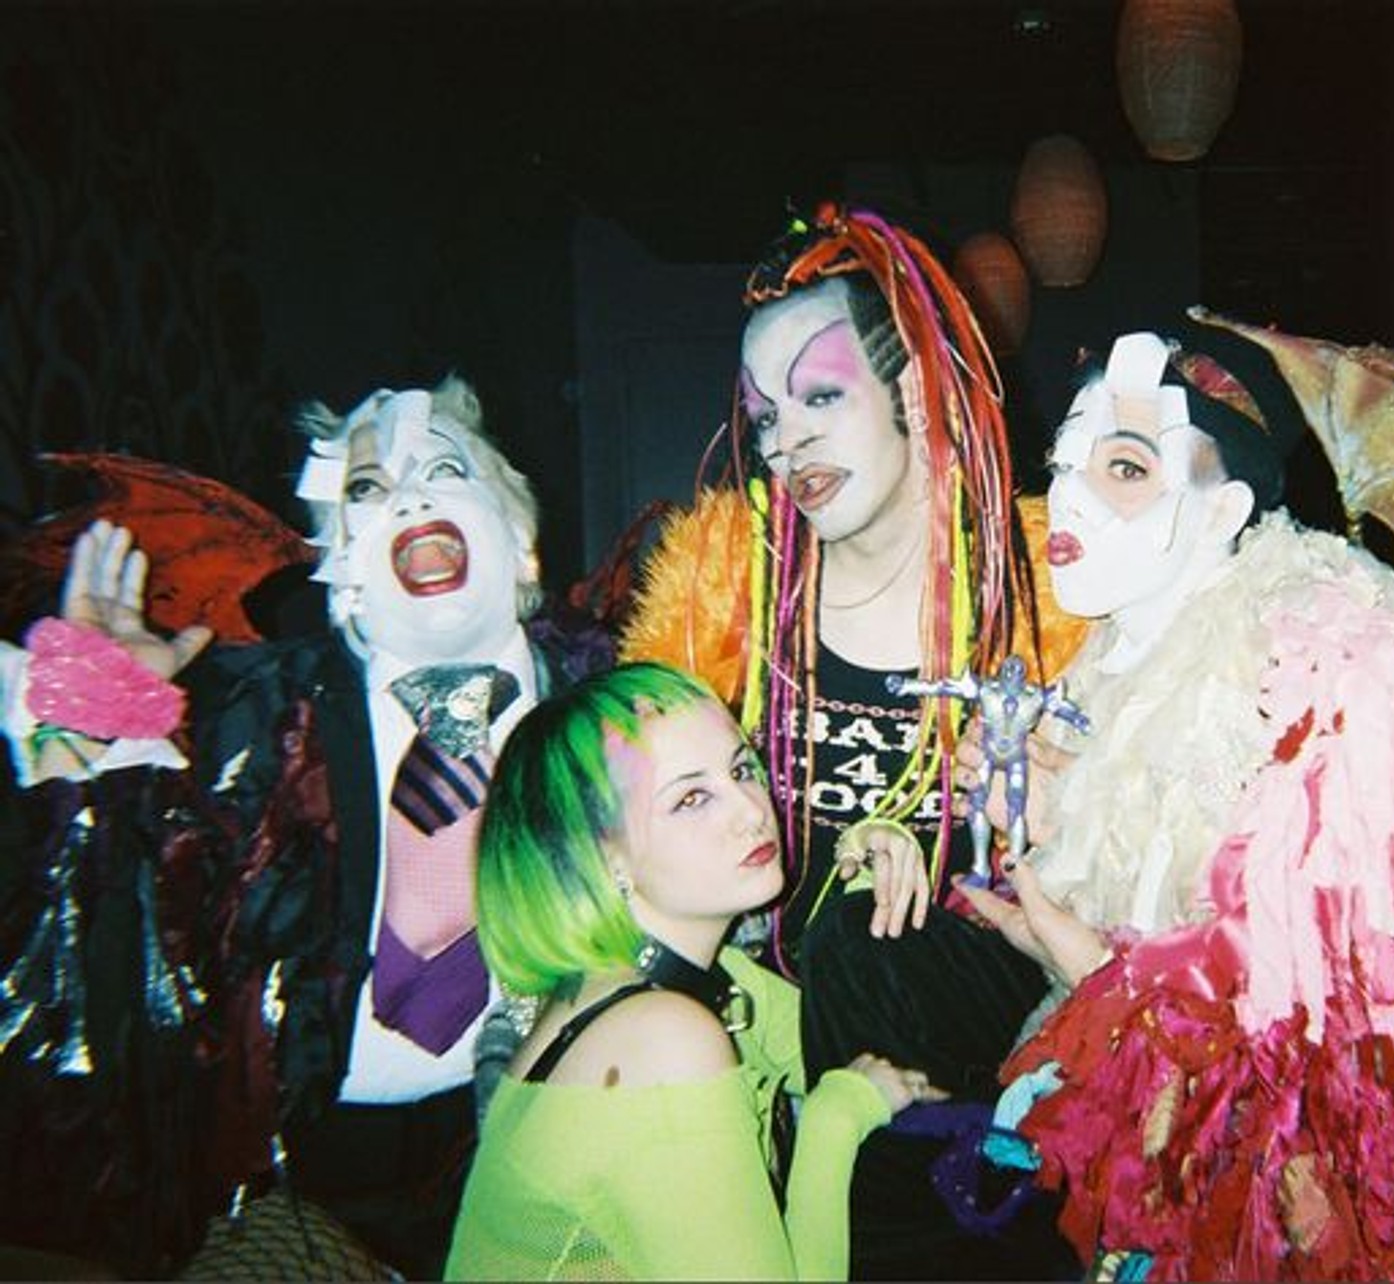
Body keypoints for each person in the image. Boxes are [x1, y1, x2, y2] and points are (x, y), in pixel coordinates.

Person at [951, 319, 1394, 1280]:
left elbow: (1347, 1029)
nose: (1067, 494)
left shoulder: (1332, 652)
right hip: (1140, 1107)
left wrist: (1103, 975)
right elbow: (1151, 871)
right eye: (1064, 463)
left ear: (1224, 507)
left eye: (1125, 468)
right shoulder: (1109, 654)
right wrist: (1050, 816)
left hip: (1306, 1161)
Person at [0, 376, 601, 1279]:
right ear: (338, 572)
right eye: (366, 490)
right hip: (300, 1180)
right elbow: (100, 944)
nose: (412, 498)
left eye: (444, 470)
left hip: (545, 1156)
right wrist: (86, 740)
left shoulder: (612, 713)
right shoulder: (250, 716)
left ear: (521, 543)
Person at [617, 202, 1089, 1277]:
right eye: (765, 416)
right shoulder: (725, 598)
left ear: (916, 391)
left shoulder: (1051, 598)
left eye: (821, 396)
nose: (787, 443)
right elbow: (635, 836)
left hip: (1007, 1114)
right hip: (798, 1096)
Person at [444, 660, 941, 1280]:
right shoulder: (659, 1036)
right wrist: (836, 1117)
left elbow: (863, 1049)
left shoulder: (696, 983)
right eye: (691, 798)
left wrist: (867, 867)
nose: (751, 811)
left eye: (741, 770)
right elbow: (851, 1082)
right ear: (603, 859)